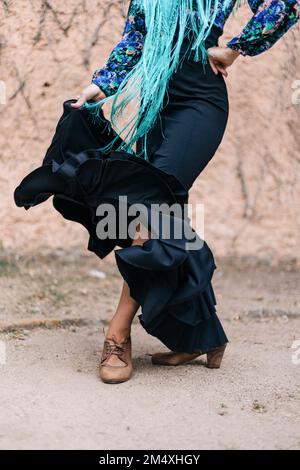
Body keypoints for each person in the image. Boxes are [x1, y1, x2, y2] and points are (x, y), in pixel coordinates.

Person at [14, 0, 299, 384]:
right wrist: (100, 86)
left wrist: (234, 48)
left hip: (200, 104)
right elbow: (135, 40)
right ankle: (202, 336)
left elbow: (285, 4)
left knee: (151, 209)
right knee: (160, 215)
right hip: (156, 106)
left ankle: (117, 334)